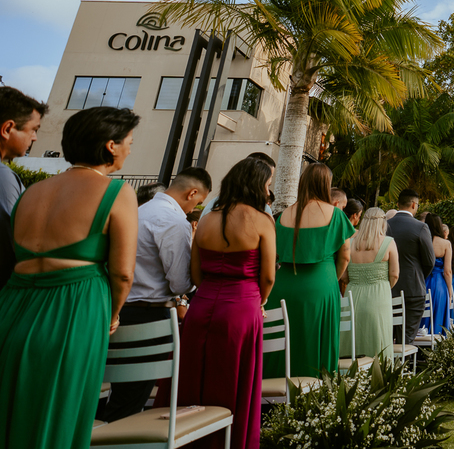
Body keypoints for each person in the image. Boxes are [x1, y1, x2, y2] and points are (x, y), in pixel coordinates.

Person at [0, 106, 138, 449]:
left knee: (8, 406)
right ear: (111, 145)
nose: (130, 149)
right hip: (74, 309)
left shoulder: (32, 191)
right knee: (59, 409)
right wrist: (113, 315)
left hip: (12, 304)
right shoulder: (117, 192)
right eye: (129, 142)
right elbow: (123, 273)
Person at [169, 157, 275, 449]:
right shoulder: (262, 221)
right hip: (241, 307)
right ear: (256, 185)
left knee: (195, 378)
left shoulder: (206, 220)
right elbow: (267, 277)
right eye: (267, 185)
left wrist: (211, 291)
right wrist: (259, 300)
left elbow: (195, 273)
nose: (268, 192)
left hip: (202, 307)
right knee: (233, 382)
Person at [103, 166, 211, 422]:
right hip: (148, 317)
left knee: (121, 393)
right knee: (129, 402)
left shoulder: (140, 211)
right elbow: (179, 282)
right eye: (199, 201)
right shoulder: (173, 221)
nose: (195, 208)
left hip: (118, 309)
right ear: (192, 193)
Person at [264, 163, 354, 379]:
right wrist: (332, 279)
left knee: (284, 344)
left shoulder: (284, 215)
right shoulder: (336, 214)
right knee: (316, 343)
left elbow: (275, 254)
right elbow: (345, 256)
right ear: (326, 184)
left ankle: (273, 399)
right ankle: (315, 400)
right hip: (320, 286)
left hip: (283, 287)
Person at [0, 86, 45, 290]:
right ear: (8, 129)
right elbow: (11, 242)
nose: (34, 138)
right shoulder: (3, 177)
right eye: (33, 129)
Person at [341, 207, 398, 362]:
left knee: (351, 338)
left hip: (353, 296)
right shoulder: (388, 243)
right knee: (379, 338)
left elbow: (344, 275)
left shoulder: (350, 243)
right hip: (379, 296)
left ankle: (351, 379)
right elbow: (394, 274)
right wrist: (384, 286)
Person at [385, 190, 435, 345]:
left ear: (398, 204)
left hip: (388, 289)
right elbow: (429, 261)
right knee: (406, 339)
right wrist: (418, 275)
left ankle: (388, 367)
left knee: (388, 336)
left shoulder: (385, 225)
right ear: (414, 204)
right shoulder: (421, 227)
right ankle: (404, 367)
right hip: (413, 290)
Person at [421, 214, 452, 336]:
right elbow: (447, 271)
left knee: (424, 315)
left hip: (424, 282)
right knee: (439, 315)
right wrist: (449, 290)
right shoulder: (445, 244)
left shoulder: (422, 241)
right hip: (440, 285)